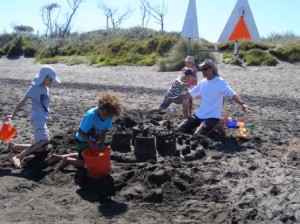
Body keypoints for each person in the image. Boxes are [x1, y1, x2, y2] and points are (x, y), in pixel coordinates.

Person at [167, 58, 252, 139]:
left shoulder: (220, 82)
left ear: (212, 69)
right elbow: (188, 94)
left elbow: (232, 94)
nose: (203, 71)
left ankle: (217, 124)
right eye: (202, 69)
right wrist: (173, 98)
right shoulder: (202, 83)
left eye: (205, 69)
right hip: (199, 115)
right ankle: (213, 124)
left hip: (212, 117)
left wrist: (242, 104)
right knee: (180, 129)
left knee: (198, 136)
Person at [3, 66, 61, 168]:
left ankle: (14, 146)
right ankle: (18, 157)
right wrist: (13, 114)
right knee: (45, 140)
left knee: (41, 148)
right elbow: (23, 101)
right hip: (37, 118)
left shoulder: (46, 89)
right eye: (50, 79)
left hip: (43, 119)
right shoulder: (35, 88)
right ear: (44, 77)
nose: (52, 81)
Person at [47, 91, 122, 169]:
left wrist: (102, 143)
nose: (105, 117)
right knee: (90, 164)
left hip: (92, 140)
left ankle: (60, 157)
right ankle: (68, 160)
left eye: (108, 115)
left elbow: (104, 131)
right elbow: (80, 131)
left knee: (87, 154)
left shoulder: (109, 116)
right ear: (99, 107)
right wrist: (91, 143)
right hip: (82, 140)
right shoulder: (91, 116)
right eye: (104, 114)